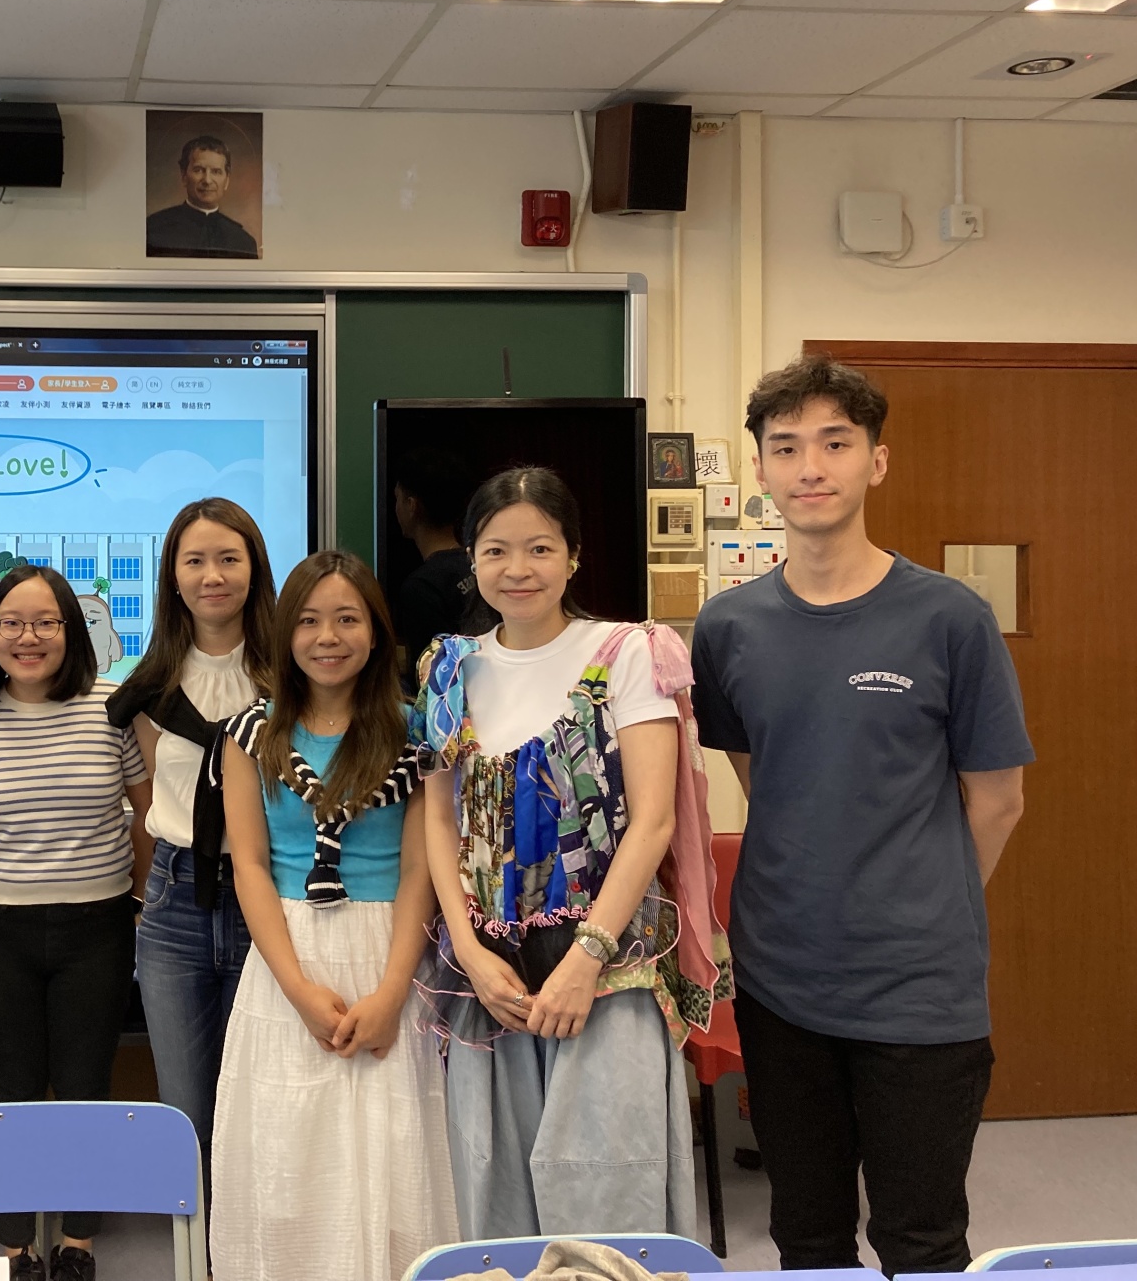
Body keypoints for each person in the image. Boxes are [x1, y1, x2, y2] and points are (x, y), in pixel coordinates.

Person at [690, 355, 1032, 1274]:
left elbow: (998, 800)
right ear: (760, 469)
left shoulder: (950, 618)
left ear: (876, 461)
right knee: (806, 1238)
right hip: (781, 977)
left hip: (919, 987)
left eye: (836, 444)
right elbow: (766, 778)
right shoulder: (727, 627)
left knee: (921, 1239)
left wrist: (923, 900)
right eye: (787, 447)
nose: (811, 467)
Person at [414, 466, 727, 1240]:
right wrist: (468, 951)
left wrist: (586, 959)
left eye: (540, 548)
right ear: (471, 557)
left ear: (574, 555)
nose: (517, 569)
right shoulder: (448, 666)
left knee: (605, 1177)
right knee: (492, 1180)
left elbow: (652, 822)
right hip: (490, 966)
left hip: (608, 957)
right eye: (496, 550)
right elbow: (440, 822)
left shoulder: (626, 652)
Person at [210, 550, 456, 1281]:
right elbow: (251, 867)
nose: (328, 637)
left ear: (376, 633)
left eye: (347, 619)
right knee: (288, 1151)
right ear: (284, 632)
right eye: (310, 621)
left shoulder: (416, 734)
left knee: (395, 1147)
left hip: (390, 951)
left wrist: (391, 993)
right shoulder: (251, 735)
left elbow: (419, 871)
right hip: (287, 956)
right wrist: (297, 989)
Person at [0, 564, 153, 1281]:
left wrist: (133, 895)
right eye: (11, 623)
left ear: (71, 631)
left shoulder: (110, 707)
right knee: (11, 1090)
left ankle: (78, 1242)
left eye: (44, 622)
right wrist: (2, 887)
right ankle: (16, 1246)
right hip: (0, 929)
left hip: (98, 927)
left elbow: (147, 814)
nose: (26, 637)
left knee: (86, 1085)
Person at [105, 498, 275, 1190]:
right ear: (172, 576)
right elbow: (152, 800)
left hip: (269, 899)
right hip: (175, 903)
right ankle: (199, 1245)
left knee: (262, 1103)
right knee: (185, 1110)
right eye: (195, 560)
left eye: (229, 558)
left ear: (254, 569)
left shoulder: (289, 675)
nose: (213, 576)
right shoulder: (148, 686)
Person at [390, 446, 478, 695]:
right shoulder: (480, 565)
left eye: (398, 499)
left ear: (411, 506)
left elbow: (429, 679)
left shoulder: (421, 588)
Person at [145, 134, 260, 259]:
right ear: (184, 176)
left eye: (216, 172)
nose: (207, 180)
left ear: (227, 180)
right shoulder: (153, 229)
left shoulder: (243, 242)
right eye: (198, 170)